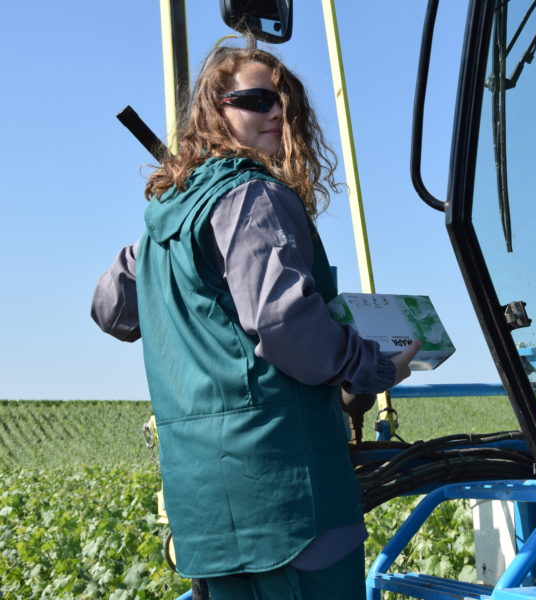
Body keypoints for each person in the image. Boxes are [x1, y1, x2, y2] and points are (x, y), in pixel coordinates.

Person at [91, 45, 419, 599]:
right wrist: (374, 367)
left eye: (285, 102)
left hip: (207, 513)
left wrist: (164, 229)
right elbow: (285, 324)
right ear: (216, 113)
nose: (278, 114)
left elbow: (111, 309)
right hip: (287, 495)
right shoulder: (253, 194)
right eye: (258, 100)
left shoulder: (162, 224)